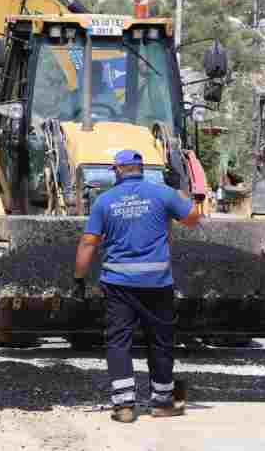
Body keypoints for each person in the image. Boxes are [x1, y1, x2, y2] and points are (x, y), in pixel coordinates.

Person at [73, 149, 203, 423]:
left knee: (119, 342)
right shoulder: (163, 194)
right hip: (157, 284)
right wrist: (178, 204)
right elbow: (193, 218)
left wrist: (79, 278)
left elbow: (88, 243)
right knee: (161, 341)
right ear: (141, 169)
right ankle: (163, 403)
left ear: (118, 170)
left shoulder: (104, 201)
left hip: (118, 285)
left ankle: (124, 407)